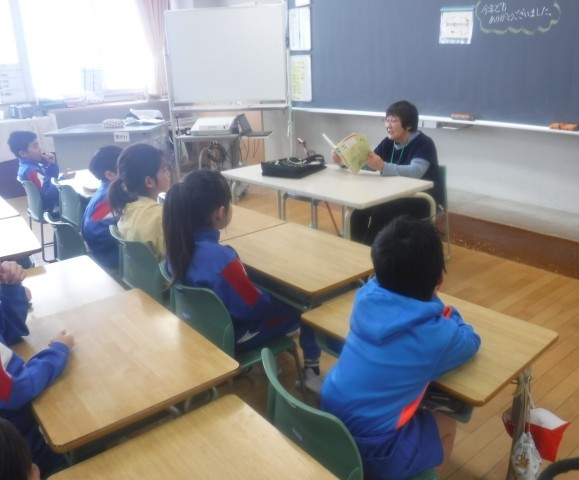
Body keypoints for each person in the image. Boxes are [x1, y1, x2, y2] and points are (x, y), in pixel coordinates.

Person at [321, 217, 481, 479]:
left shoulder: (365, 297)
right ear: (440, 278)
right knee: (447, 424)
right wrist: (444, 310)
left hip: (328, 417)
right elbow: (471, 340)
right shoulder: (436, 335)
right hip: (372, 445)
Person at [163, 169, 324, 393]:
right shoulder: (222, 260)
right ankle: (312, 373)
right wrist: (280, 296)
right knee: (309, 306)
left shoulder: (175, 247)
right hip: (234, 336)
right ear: (220, 213)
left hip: (200, 330)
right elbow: (255, 308)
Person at [0, 261, 74, 477]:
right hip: (18, 454)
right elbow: (14, 390)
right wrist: (58, 350)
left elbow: (10, 331)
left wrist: (11, 289)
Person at [334, 100, 441, 245]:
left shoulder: (424, 143)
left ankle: (370, 252)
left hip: (421, 198)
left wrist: (383, 166)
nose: (388, 125)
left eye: (393, 121)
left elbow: (416, 171)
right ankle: (355, 248)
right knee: (359, 208)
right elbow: (370, 165)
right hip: (392, 194)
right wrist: (344, 161)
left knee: (383, 210)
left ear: (409, 125)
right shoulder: (388, 142)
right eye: (387, 120)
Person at [108, 143, 171, 259]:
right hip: (161, 270)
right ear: (149, 182)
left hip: (139, 270)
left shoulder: (126, 208)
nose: (168, 173)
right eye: (164, 170)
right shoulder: (160, 214)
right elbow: (174, 253)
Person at [9, 130, 75, 216]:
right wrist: (62, 179)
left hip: (48, 205)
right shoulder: (32, 171)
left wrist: (52, 164)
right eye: (35, 146)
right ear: (23, 153)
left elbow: (51, 180)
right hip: (51, 208)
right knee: (80, 201)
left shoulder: (30, 166)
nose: (40, 149)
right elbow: (48, 193)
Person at [82, 146, 123, 272]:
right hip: (107, 255)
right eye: (125, 168)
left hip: (102, 252)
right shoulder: (108, 199)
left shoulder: (106, 191)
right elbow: (94, 231)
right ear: (110, 175)